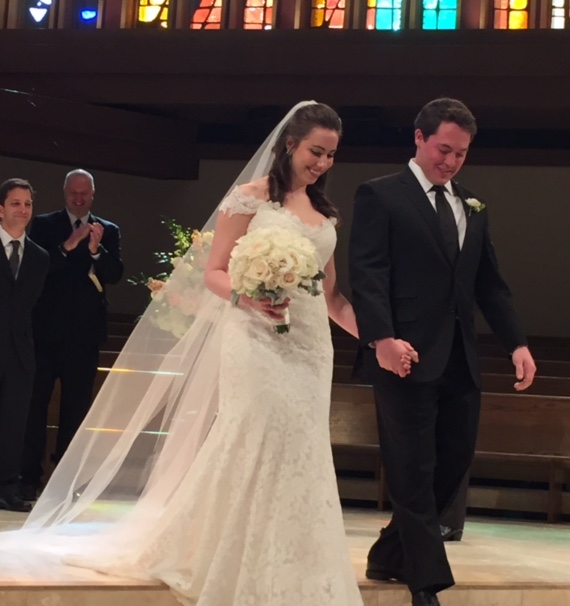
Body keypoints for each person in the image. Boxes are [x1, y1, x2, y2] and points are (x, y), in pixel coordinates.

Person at [0, 102, 376, 606]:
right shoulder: (248, 198)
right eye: (316, 151)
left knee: (302, 445)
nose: (323, 163)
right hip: (255, 338)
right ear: (290, 144)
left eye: (331, 155)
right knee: (253, 435)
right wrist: (250, 297)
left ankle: (291, 556)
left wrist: (377, 339)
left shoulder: (325, 212)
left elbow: (330, 296)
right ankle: (228, 551)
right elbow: (215, 271)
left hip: (311, 348)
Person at [348, 97, 537, 606]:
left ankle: (389, 553)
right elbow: (368, 274)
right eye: (443, 150)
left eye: (461, 154)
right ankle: (426, 582)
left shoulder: (472, 205)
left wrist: (516, 343)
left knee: (453, 461)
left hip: (458, 357)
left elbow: (489, 284)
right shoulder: (380, 195)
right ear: (419, 138)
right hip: (402, 355)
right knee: (412, 467)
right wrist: (381, 339)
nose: (451, 161)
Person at [19, 169, 124, 500]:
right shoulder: (45, 225)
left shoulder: (107, 230)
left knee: (76, 411)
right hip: (45, 334)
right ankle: (28, 478)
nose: (79, 199)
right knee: (35, 408)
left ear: (92, 194)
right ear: (65, 193)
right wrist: (69, 245)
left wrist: (95, 250)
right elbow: (37, 268)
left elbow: (115, 274)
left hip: (84, 336)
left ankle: (64, 483)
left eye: (84, 193)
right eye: (73, 193)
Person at [0, 179, 49, 512]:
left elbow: (31, 305)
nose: (23, 209)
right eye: (16, 203)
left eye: (28, 204)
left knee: (14, 422)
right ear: (1, 209)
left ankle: (7, 488)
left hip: (19, 352)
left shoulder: (39, 257)